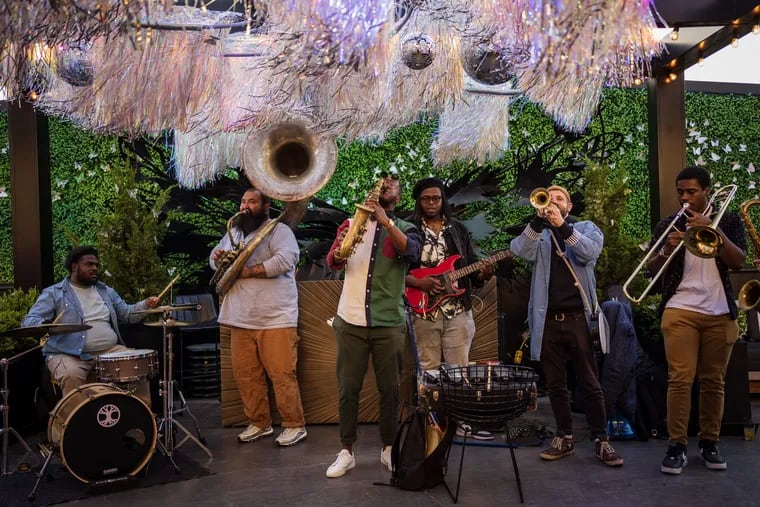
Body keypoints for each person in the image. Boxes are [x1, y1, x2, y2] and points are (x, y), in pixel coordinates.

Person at [510, 185, 623, 467]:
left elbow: (589, 252)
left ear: (569, 206)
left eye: (559, 198)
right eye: (549, 197)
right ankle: (564, 437)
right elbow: (519, 250)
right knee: (556, 384)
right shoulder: (540, 234)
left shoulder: (585, 227)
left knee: (589, 381)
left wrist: (561, 226)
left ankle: (601, 438)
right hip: (548, 320)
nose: (553, 202)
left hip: (578, 319)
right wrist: (537, 221)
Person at [647, 166, 746, 475]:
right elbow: (652, 271)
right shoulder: (669, 224)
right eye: (680, 192)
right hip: (680, 309)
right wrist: (666, 250)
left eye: (691, 192)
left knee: (714, 381)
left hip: (719, 311)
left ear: (706, 191)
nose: (684, 198)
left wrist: (714, 230)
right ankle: (676, 446)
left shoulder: (728, 219)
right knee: (680, 379)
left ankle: (709, 442)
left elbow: (738, 261)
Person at [324, 174, 422, 478]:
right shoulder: (350, 223)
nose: (386, 185)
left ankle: (389, 447)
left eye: (392, 184)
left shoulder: (406, 229)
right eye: (382, 182)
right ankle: (346, 451)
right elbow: (333, 261)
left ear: (398, 198)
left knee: (390, 389)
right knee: (347, 388)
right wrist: (341, 245)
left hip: (388, 322)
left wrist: (385, 222)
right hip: (349, 320)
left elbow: (413, 254)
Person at [210, 188, 307, 447]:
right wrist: (217, 258)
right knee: (246, 376)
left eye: (251, 202)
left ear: (265, 206)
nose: (244, 206)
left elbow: (286, 259)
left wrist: (248, 270)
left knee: (282, 374)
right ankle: (259, 423)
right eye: (242, 201)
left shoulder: (279, 231)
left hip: (275, 317)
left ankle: (294, 425)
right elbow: (214, 260)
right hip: (240, 316)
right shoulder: (235, 233)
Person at [404, 177, 496, 440]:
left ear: (443, 200)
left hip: (457, 310)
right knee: (429, 369)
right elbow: (397, 272)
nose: (431, 203)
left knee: (459, 370)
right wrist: (420, 283)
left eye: (436, 198)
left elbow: (473, 269)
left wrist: (483, 273)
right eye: (426, 199)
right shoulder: (409, 229)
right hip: (423, 310)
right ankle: (431, 424)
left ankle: (462, 422)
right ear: (418, 202)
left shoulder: (458, 230)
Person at [22, 245, 161, 402]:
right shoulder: (54, 293)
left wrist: (146, 305)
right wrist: (45, 323)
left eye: (96, 265)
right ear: (74, 267)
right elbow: (29, 320)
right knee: (71, 374)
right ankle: (76, 423)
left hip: (109, 350)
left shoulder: (105, 291)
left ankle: (139, 418)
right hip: (69, 354)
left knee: (136, 364)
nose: (95, 268)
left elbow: (127, 315)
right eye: (89, 264)